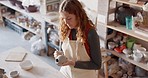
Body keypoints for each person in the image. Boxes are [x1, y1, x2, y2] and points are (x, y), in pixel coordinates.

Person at [54, 0, 102, 78]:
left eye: (69, 18)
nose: (66, 22)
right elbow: (66, 52)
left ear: (78, 15)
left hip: (85, 75)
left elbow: (97, 65)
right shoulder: (66, 29)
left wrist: (73, 63)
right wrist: (60, 54)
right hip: (66, 73)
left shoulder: (90, 34)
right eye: (63, 18)